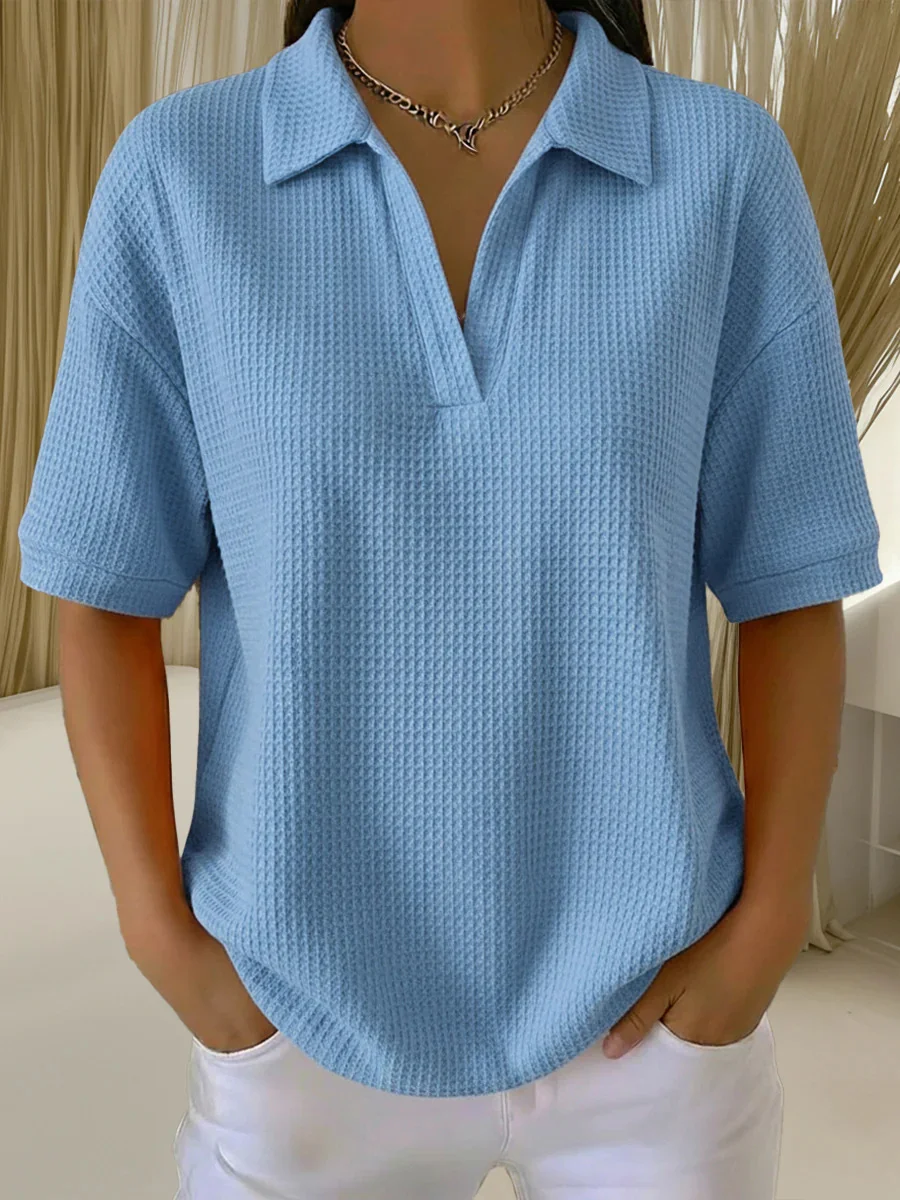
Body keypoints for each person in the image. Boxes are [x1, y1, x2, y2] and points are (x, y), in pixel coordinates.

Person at [17, 0, 883, 1196]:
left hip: (655, 1026)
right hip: (298, 1022)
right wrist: (160, 937)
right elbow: (102, 584)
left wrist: (771, 919)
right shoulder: (183, 175)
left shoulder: (720, 167)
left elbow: (791, 576)